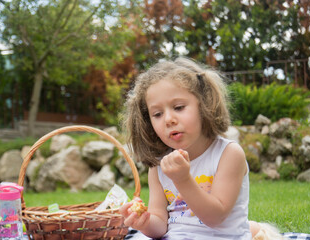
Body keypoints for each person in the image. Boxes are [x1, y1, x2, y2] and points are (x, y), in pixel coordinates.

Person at [119, 57, 285, 240]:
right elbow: (160, 225)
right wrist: (145, 223)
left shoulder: (228, 154)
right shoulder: (159, 165)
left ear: (204, 105)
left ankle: (254, 230)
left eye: (179, 107)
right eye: (157, 114)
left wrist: (183, 180)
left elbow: (216, 217)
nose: (168, 119)